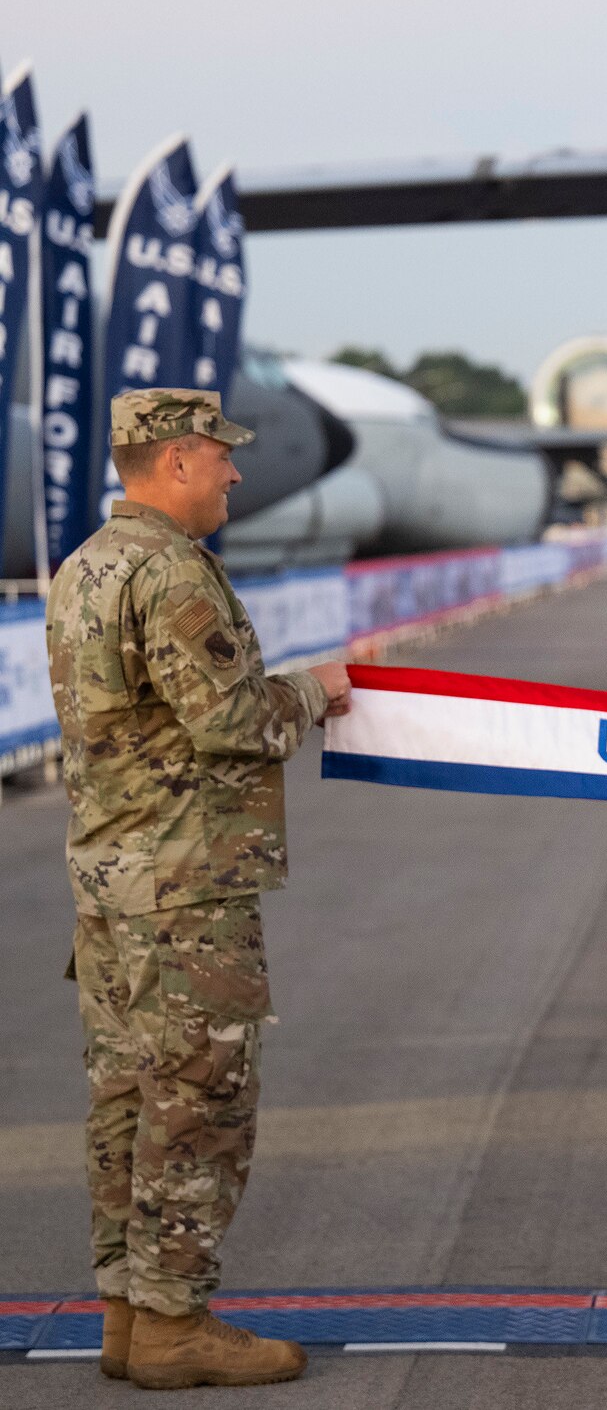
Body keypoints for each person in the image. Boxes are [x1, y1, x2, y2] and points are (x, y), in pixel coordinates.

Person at [44, 390, 354, 1391]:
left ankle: (130, 1313)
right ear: (176, 458)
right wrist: (318, 687)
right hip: (185, 890)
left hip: (111, 883)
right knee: (199, 1104)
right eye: (219, 458)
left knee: (127, 1102)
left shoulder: (85, 565)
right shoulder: (172, 571)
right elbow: (231, 722)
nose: (231, 474)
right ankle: (175, 1320)